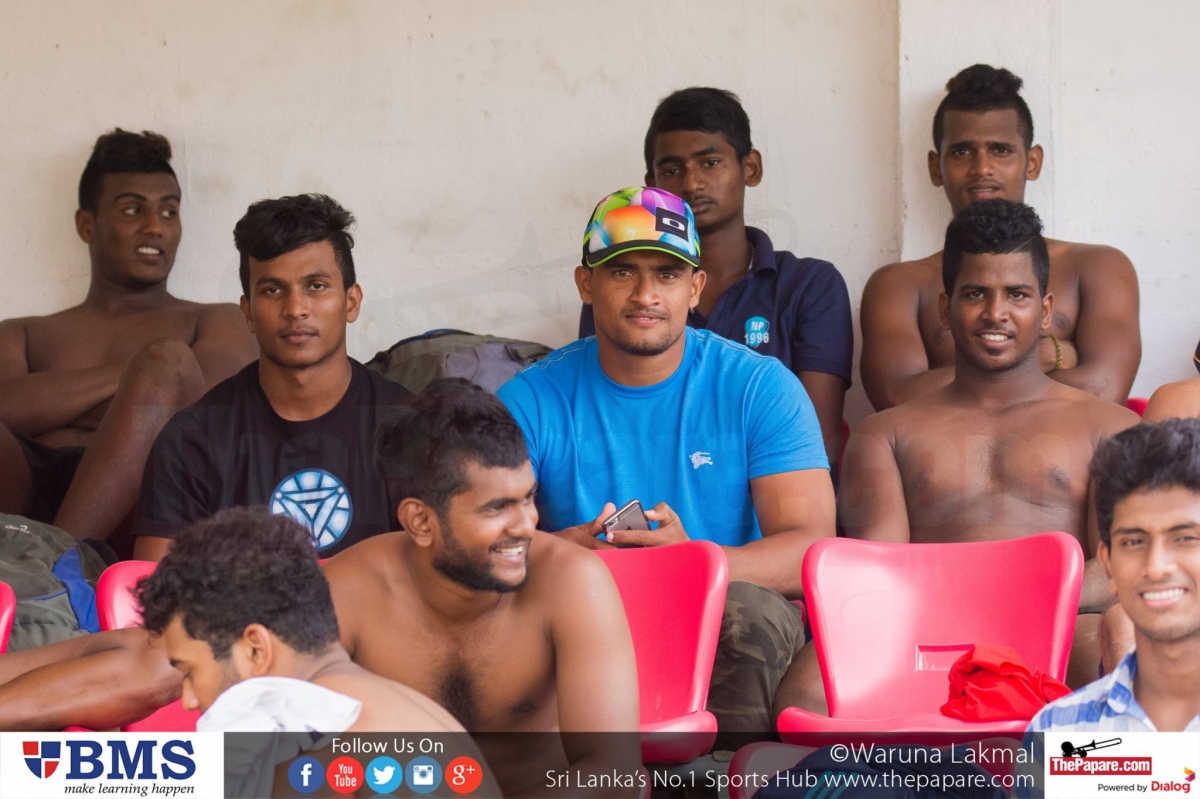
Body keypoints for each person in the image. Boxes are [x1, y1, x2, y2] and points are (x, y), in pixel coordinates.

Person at [501, 186, 836, 737]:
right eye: (622, 272)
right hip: (581, 604)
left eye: (667, 274)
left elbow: (811, 547)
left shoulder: (760, 386)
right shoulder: (529, 399)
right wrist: (563, 554)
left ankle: (726, 773)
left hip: (717, 610)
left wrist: (693, 563)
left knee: (749, 612)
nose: (646, 294)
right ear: (586, 283)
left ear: (695, 287)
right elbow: (479, 541)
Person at [797, 200, 1137, 717]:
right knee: (807, 690)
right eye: (976, 293)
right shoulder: (885, 434)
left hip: (1063, 624)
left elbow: (1114, 568)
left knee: (1121, 648)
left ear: (1045, 310)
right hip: (925, 630)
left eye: (1017, 294)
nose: (996, 313)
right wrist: (964, 609)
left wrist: (1014, 604)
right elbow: (879, 573)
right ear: (945, 308)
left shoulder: (1110, 428)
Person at [327, 378, 641, 796]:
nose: (526, 526)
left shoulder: (572, 581)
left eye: (528, 498)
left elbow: (614, 772)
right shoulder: (344, 593)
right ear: (420, 521)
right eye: (497, 508)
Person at [0, 129, 257, 556]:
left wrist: (51, 409)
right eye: (133, 210)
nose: (155, 227)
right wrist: (138, 390)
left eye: (169, 211)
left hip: (145, 505)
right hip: (22, 500)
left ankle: (56, 567)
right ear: (87, 224)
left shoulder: (217, 319)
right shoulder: (21, 333)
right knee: (162, 369)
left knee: (167, 361)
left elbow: (207, 414)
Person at [579, 88, 853, 465]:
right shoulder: (623, 289)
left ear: (750, 167)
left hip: (776, 489)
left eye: (710, 163)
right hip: (647, 486)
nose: (691, 184)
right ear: (652, 184)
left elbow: (814, 442)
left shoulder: (809, 285)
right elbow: (606, 422)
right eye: (671, 170)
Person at [131, 193, 412, 561]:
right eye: (273, 290)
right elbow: (155, 586)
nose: (295, 309)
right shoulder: (192, 440)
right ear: (248, 312)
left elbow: (443, 577)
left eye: (316, 286)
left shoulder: (409, 428)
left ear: (351, 302)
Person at [860, 64, 1140, 410]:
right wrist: (1045, 355)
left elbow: (1102, 392)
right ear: (936, 167)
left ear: (1032, 162)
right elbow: (898, 400)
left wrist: (961, 375)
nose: (982, 168)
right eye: (962, 151)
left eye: (1000, 150)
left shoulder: (1098, 267)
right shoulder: (898, 285)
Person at [137, 506, 462, 733]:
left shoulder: (273, 723)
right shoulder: (431, 718)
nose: (189, 699)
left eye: (190, 672)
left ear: (256, 650)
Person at [1028, 419, 1200, 733]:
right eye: (1133, 542)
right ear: (1108, 565)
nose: (1156, 566)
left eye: (1185, 538)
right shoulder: (1057, 730)